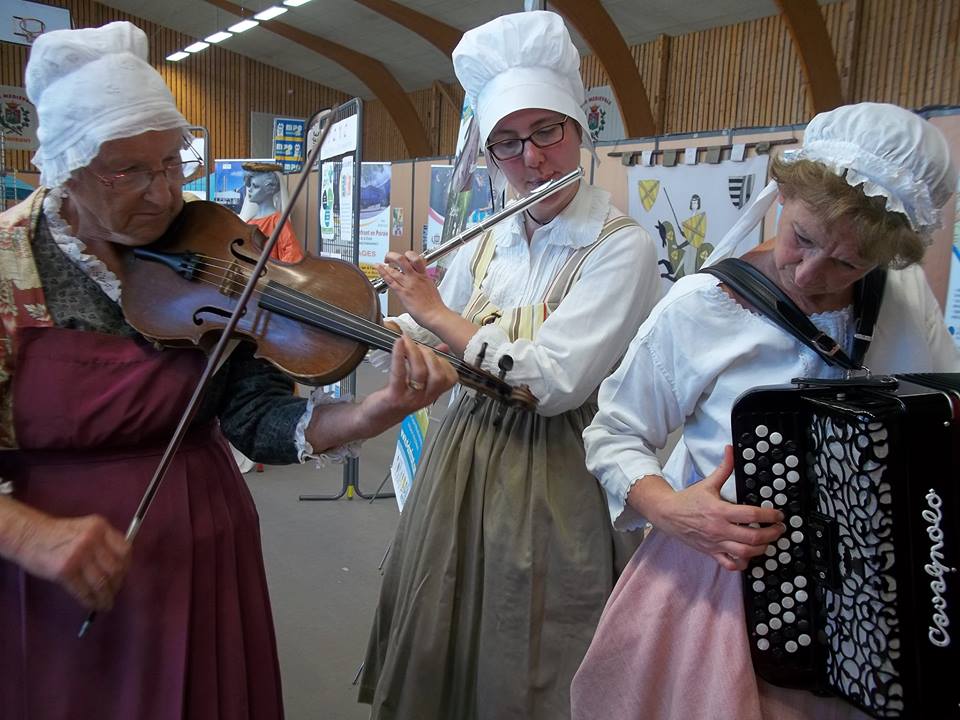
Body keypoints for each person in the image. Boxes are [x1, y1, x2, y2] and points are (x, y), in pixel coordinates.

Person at [0, 21, 456, 720]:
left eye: (172, 164)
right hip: (59, 570)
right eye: (128, 172)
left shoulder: (209, 240)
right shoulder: (9, 264)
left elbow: (255, 415)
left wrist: (374, 411)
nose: (161, 195)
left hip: (201, 541)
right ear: (60, 167)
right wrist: (31, 535)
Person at [570, 102, 960, 720]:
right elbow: (614, 431)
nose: (809, 272)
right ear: (781, 195)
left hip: (871, 597)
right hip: (719, 573)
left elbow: (944, 418)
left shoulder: (904, 301)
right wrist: (671, 508)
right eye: (802, 238)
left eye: (848, 264)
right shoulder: (706, 305)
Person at [358, 11, 662, 720]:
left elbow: (550, 382)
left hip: (557, 475)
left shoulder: (621, 246)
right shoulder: (489, 242)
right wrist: (359, 322)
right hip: (460, 461)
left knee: (534, 651)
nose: (531, 160)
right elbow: (432, 337)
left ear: (579, 129)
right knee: (447, 624)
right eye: (507, 144)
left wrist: (434, 312)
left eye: (546, 132)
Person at [239, 161, 305, 263]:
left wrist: (273, 273)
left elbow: (293, 254)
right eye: (249, 186)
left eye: (255, 186)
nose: (250, 190)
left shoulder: (278, 221)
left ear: (270, 189)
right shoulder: (248, 222)